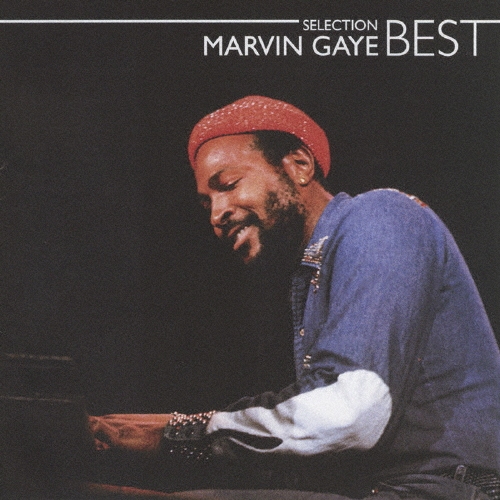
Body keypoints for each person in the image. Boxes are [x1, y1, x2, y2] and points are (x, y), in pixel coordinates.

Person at [90, 96, 500, 499]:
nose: (217, 214)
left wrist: (179, 434)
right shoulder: (314, 271)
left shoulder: (381, 215)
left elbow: (351, 411)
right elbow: (314, 409)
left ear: (299, 166)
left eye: (228, 185)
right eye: (207, 202)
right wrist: (141, 429)